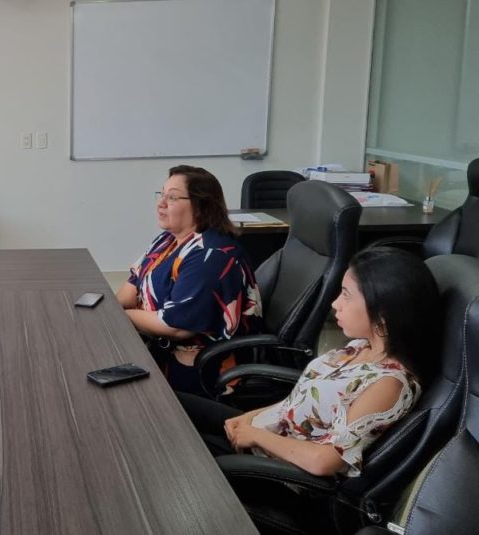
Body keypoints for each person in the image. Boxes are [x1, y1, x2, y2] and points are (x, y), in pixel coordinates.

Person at [179, 247, 440, 478]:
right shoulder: (361, 347)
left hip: (275, 469)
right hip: (266, 434)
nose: (335, 303)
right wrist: (249, 418)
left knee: (171, 443)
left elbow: (324, 461)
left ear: (383, 312)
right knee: (167, 404)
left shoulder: (388, 384)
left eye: (346, 295)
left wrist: (256, 435)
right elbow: (299, 403)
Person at [116, 165, 262, 395]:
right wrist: (110, 310)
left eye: (172, 197)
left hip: (199, 365)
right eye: (161, 194)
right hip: (155, 342)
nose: (161, 203)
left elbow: (174, 326)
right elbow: (134, 282)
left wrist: (121, 316)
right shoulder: (167, 239)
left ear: (200, 206)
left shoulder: (211, 255)